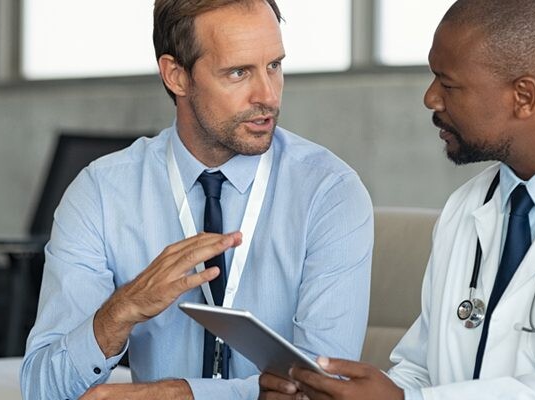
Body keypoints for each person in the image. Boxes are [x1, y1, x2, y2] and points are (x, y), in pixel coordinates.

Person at [259, 0, 535, 399]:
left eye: (448, 85)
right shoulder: (467, 208)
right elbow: (422, 370)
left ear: (523, 97)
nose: (430, 98)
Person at [20, 0, 374, 399]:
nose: (268, 95)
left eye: (274, 65)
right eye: (239, 72)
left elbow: (322, 391)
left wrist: (182, 394)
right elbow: (42, 389)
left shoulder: (329, 193)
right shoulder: (101, 194)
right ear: (176, 75)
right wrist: (119, 312)